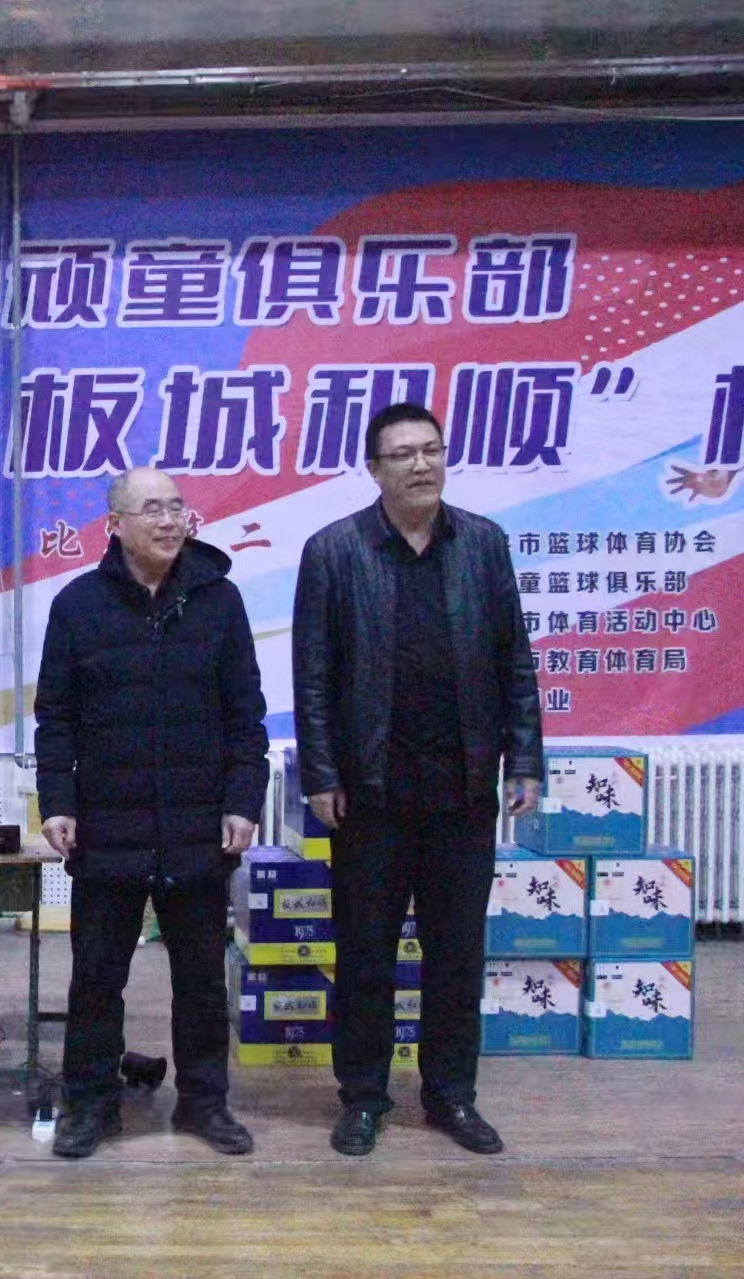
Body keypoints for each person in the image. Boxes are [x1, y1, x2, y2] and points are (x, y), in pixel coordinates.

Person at [292, 402, 543, 1158]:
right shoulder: (334, 551)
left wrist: (523, 760)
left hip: (462, 791)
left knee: (456, 955)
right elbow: (313, 675)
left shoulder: (483, 544)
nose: (420, 464)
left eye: (431, 450)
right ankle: (364, 1099)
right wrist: (321, 773)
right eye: (402, 454)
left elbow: (515, 662)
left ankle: (451, 1095)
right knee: (366, 956)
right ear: (375, 469)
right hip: (369, 793)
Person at [34, 466, 268, 1159]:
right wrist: (58, 802)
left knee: (200, 980)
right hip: (108, 825)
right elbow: (55, 718)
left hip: (198, 825)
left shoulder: (219, 601)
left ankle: (205, 1103)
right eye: (151, 510)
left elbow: (246, 715)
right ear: (115, 525)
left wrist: (243, 800)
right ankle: (90, 1105)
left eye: (176, 508)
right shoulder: (78, 605)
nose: (169, 521)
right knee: (96, 978)